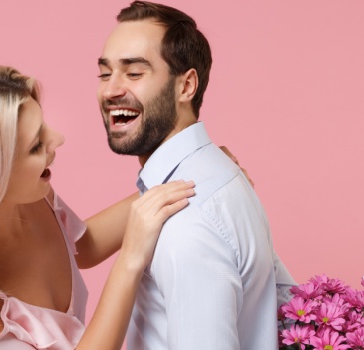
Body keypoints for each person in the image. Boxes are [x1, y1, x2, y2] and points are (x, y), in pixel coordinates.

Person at [0, 55, 196, 349]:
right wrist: (130, 260)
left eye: (44, 127)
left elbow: (83, 249)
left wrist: (188, 171)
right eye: (35, 145)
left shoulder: (28, 195)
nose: (58, 140)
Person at [96, 2, 297, 349]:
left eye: (134, 73)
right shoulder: (217, 177)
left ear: (186, 86)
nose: (111, 89)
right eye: (104, 74)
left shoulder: (184, 220)